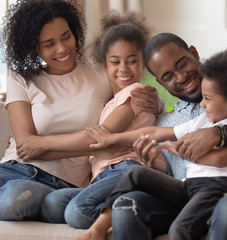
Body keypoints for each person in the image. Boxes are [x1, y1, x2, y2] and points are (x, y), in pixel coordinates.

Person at [0, 0, 160, 235]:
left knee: (8, 204)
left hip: (62, 182)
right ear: (34, 47)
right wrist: (90, 148)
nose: (62, 49)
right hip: (12, 168)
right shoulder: (21, 78)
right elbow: (25, 146)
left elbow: (133, 91)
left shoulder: (101, 74)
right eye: (49, 44)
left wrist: (154, 102)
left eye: (66, 37)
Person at [80, 33, 227, 240]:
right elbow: (177, 171)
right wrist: (153, 164)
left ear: (193, 53)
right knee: (128, 205)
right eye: (168, 76)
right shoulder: (170, 120)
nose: (182, 77)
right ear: (160, 82)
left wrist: (219, 134)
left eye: (182, 63)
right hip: (195, 203)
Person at [13, 10, 166, 229]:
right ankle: (125, 206)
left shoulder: (136, 92)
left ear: (143, 64)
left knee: (76, 212)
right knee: (52, 205)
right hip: (103, 175)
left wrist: (42, 142)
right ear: (104, 65)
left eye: (132, 61)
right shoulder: (110, 100)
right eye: (116, 62)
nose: (123, 68)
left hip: (127, 168)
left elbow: (102, 135)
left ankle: (131, 210)